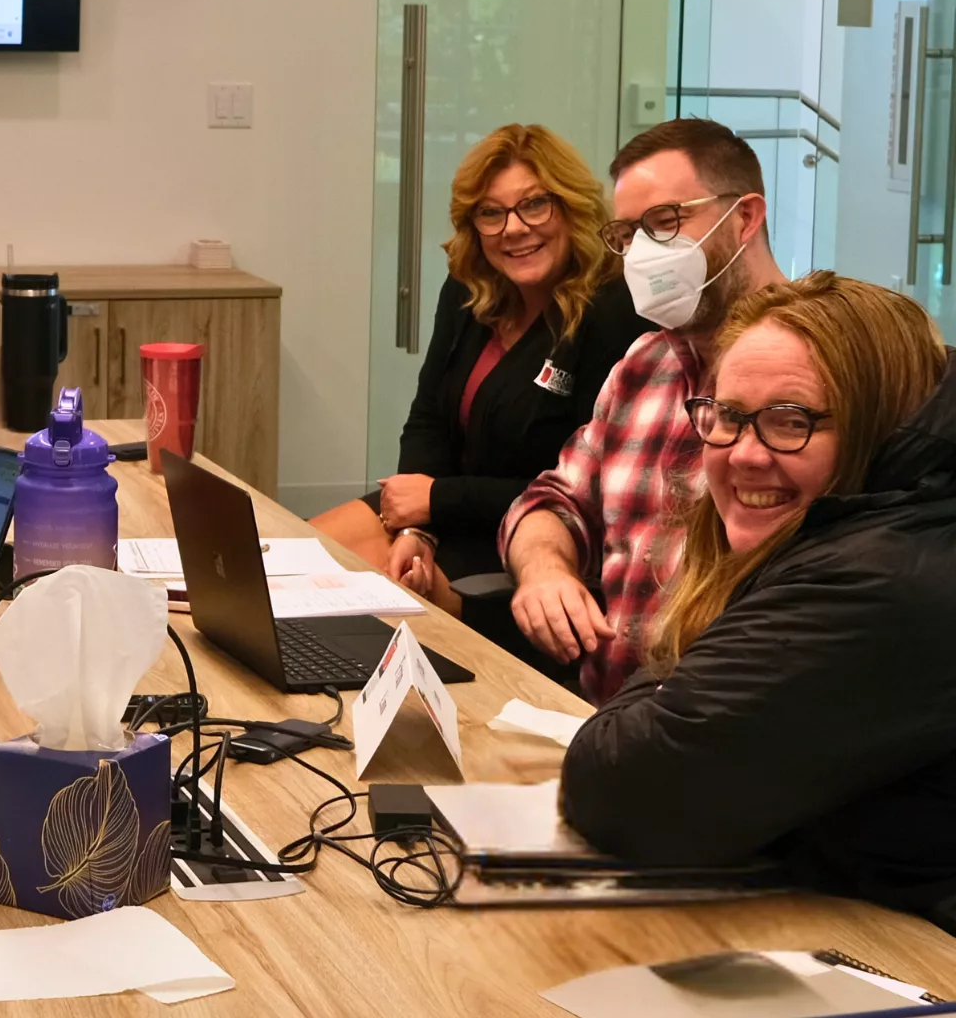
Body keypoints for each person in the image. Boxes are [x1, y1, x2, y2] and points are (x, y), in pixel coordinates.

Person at [562, 273, 956, 935]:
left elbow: (625, 793)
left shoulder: (880, 579)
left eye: (790, 421)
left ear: (879, 428)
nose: (744, 454)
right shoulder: (900, 530)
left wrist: (670, 675)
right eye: (727, 416)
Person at [499, 118, 789, 702]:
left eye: (665, 223)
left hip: (722, 723)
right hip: (600, 717)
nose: (643, 254)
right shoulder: (645, 362)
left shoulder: (811, 371)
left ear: (745, 217)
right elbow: (551, 500)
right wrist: (545, 570)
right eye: (629, 234)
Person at [313, 124, 647, 617]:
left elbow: (582, 485)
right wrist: (414, 528)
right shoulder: (469, 289)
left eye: (535, 204)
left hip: (522, 531)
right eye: (491, 213)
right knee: (281, 558)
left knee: (343, 604)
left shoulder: (614, 312)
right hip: (436, 510)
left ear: (572, 206)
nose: (513, 228)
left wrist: (437, 501)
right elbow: (429, 416)